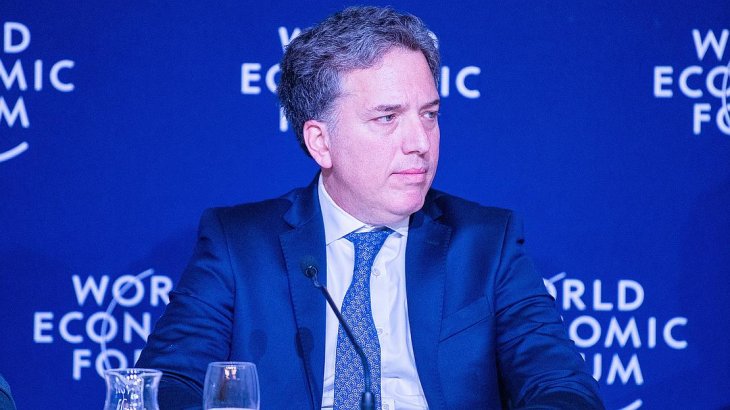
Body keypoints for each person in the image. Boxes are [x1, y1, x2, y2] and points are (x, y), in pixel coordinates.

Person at [137, 6, 604, 409]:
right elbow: (166, 383)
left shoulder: (486, 242)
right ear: (321, 142)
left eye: (429, 114)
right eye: (387, 117)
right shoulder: (239, 245)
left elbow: (562, 387)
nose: (420, 142)